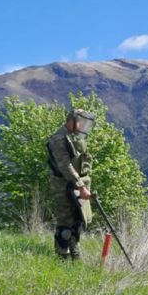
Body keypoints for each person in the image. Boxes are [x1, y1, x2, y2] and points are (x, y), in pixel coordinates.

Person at [47, 109, 95, 260]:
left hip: (76, 184)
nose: (83, 126)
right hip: (63, 187)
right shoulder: (59, 139)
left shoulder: (73, 137)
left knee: (77, 221)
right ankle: (62, 259)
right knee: (65, 224)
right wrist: (81, 186)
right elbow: (65, 166)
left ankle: (76, 256)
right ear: (72, 121)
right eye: (80, 122)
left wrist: (81, 185)